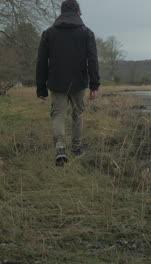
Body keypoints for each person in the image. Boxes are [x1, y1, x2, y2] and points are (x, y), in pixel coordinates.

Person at [36, 0, 100, 167]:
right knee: (78, 114)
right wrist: (95, 85)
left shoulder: (49, 33)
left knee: (58, 115)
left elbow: (41, 62)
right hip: (79, 82)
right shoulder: (87, 33)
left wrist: (41, 88)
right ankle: (77, 148)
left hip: (56, 82)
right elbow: (93, 61)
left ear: (61, 12)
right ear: (78, 12)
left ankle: (60, 147)